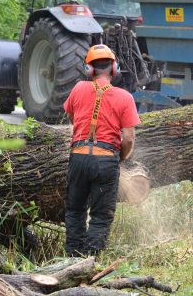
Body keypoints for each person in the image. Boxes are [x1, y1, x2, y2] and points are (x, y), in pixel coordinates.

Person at [63, 44, 140, 256]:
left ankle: (72, 258)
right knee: (100, 215)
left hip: (78, 156)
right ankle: (90, 261)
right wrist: (119, 158)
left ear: (89, 68)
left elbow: (71, 116)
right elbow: (129, 139)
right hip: (106, 160)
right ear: (114, 68)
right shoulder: (125, 97)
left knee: (75, 210)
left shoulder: (78, 88)